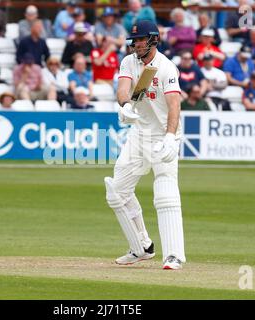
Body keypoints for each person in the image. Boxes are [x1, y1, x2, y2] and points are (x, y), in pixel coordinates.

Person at [105, 20, 185, 270]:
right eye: (135, 40)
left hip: (163, 135)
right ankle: (142, 246)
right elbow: (123, 90)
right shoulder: (129, 61)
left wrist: (171, 137)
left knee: (165, 193)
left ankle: (174, 256)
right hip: (139, 135)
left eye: (141, 40)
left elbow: (174, 105)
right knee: (117, 190)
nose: (137, 44)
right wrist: (126, 106)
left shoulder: (166, 68)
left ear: (153, 40)